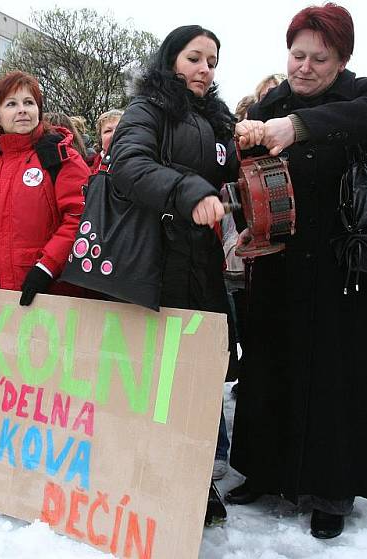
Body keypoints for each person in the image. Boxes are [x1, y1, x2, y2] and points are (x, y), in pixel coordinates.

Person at [228, 3, 367, 539]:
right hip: (280, 262)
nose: (304, 66)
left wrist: (297, 126)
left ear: (341, 59)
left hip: (338, 266)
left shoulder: (363, 94)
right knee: (270, 365)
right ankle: (264, 470)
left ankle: (333, 488)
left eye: (318, 58)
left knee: (335, 377)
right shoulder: (271, 100)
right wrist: (249, 222)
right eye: (297, 54)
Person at [106, 25, 254, 525]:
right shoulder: (147, 110)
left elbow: (233, 175)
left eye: (212, 62)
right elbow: (128, 163)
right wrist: (189, 191)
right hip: (155, 264)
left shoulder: (215, 119)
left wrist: (251, 152)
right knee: (156, 377)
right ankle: (149, 479)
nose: (205, 69)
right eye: (195, 58)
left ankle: (198, 479)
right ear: (171, 60)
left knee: (200, 373)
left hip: (204, 264)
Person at [0, 71, 87, 313]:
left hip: (53, 291)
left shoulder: (60, 157)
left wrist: (46, 267)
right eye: (11, 104)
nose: (22, 110)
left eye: (29, 103)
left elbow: (80, 217)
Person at [89, 108, 123, 174]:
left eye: (119, 129)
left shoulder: (144, 162)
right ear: (100, 139)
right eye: (108, 131)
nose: (114, 134)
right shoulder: (90, 168)